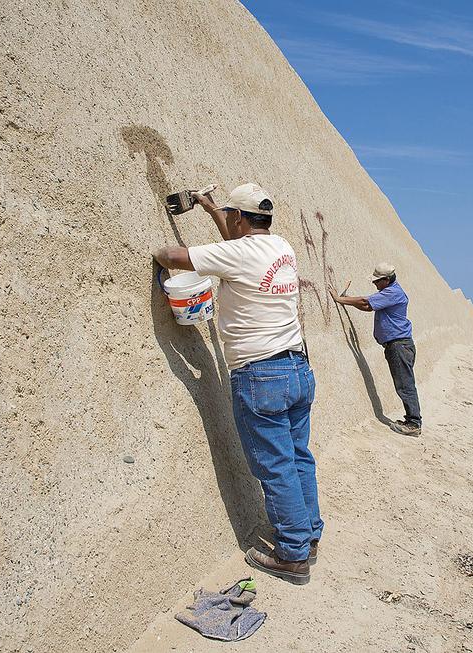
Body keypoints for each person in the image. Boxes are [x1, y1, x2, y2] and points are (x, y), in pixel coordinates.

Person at [152, 183, 321, 585]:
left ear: (240, 218)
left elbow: (172, 256)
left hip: (261, 376)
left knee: (275, 466)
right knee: (299, 457)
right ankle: (309, 535)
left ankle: (293, 555)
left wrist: (156, 254)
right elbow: (237, 250)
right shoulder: (281, 248)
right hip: (297, 369)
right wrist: (212, 208)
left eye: (231, 215)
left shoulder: (239, 254)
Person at [330, 263, 422, 437]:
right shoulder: (389, 293)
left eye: (377, 281)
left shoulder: (392, 293)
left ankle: (414, 423)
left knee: (405, 385)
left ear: (386, 280)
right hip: (398, 345)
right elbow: (368, 307)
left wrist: (339, 299)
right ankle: (412, 420)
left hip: (399, 346)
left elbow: (365, 302)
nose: (374, 284)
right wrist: (348, 300)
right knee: (404, 384)